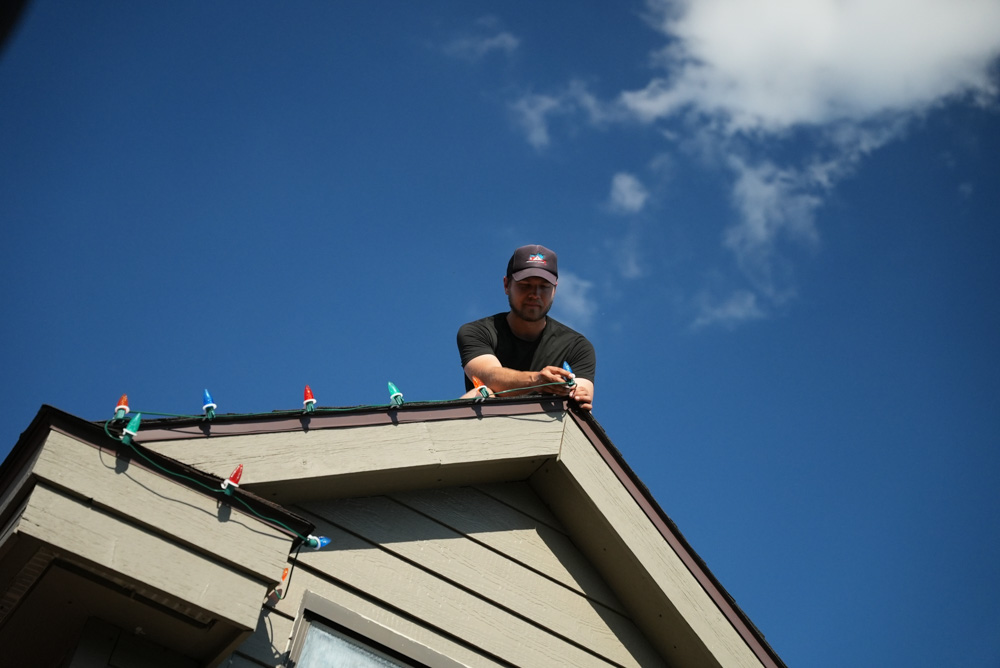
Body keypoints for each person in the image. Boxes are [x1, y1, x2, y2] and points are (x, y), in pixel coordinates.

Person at [457, 244, 595, 411]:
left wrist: (578, 395)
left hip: (547, 430)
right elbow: (489, 377)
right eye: (525, 284)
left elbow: (581, 394)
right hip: (487, 425)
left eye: (544, 286)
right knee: (483, 393)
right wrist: (538, 381)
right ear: (506, 285)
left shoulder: (576, 347)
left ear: (555, 290)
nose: (535, 294)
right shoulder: (477, 332)